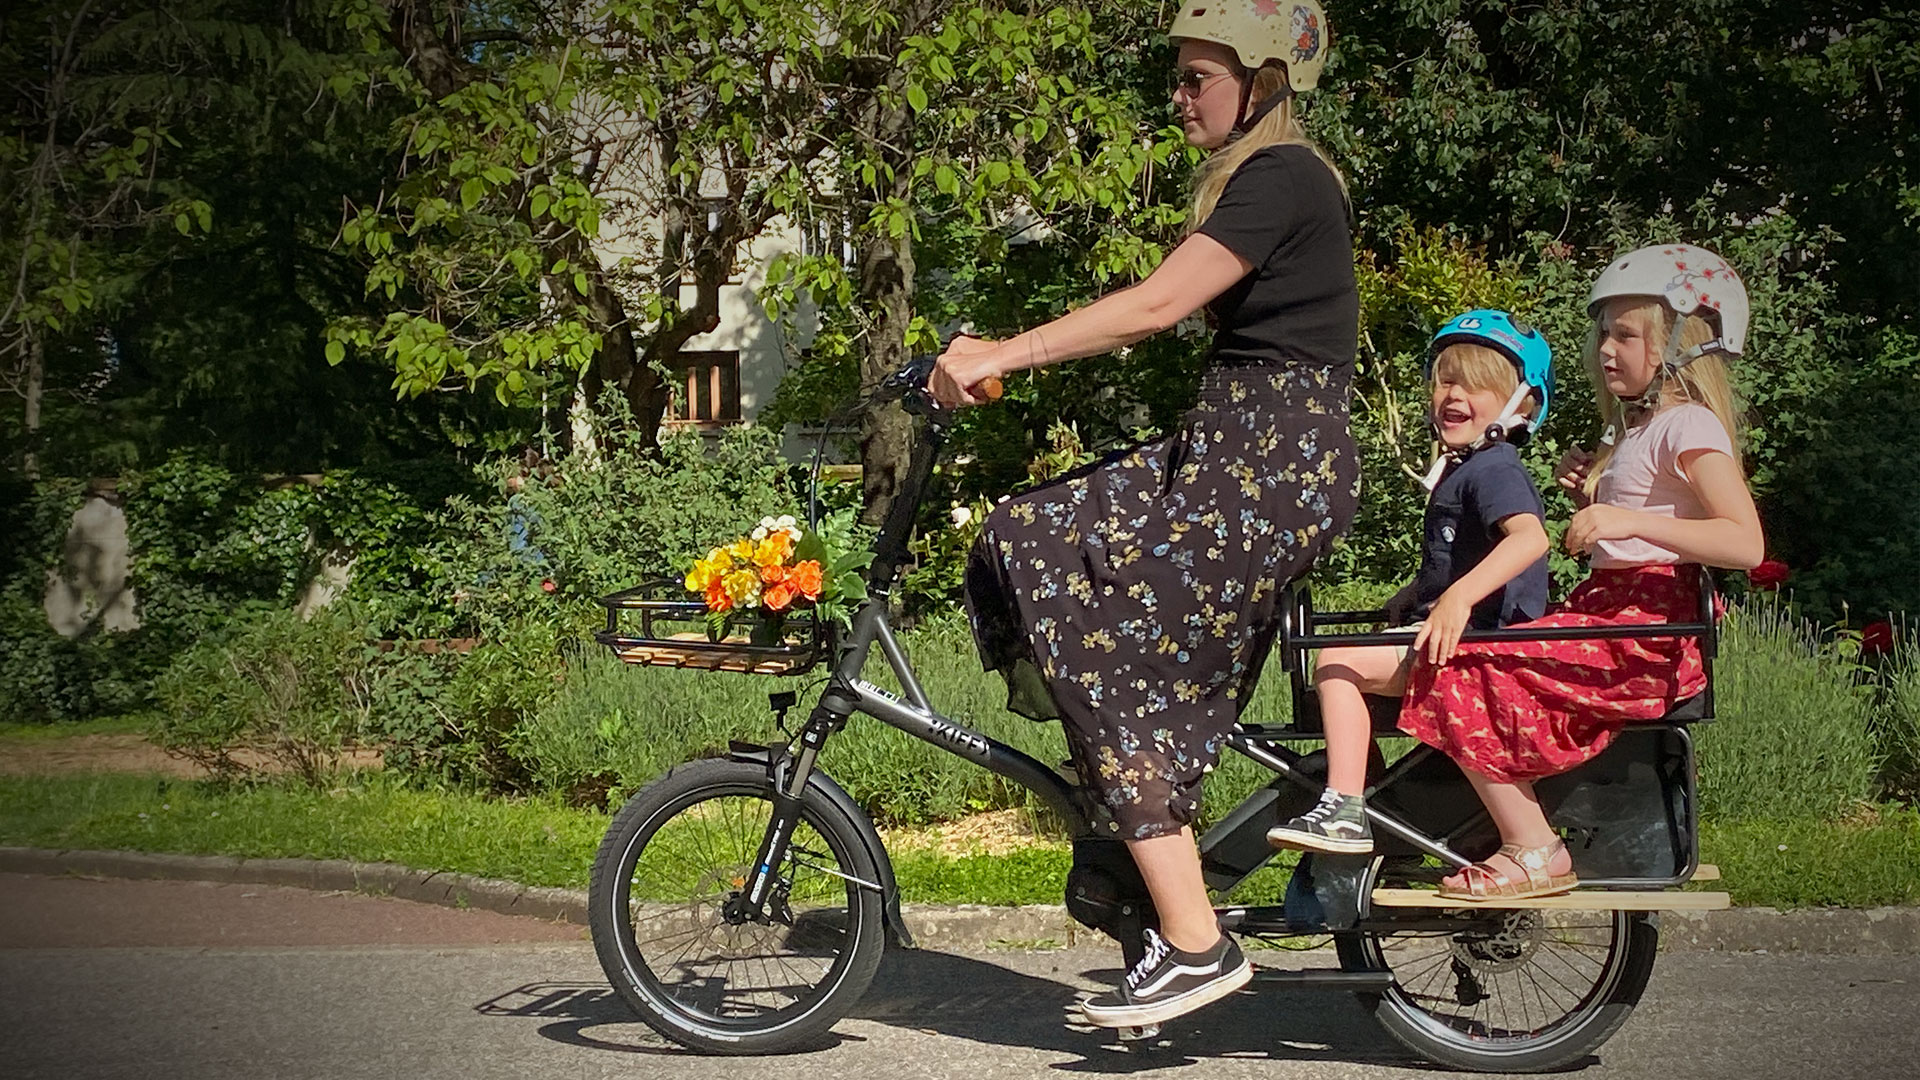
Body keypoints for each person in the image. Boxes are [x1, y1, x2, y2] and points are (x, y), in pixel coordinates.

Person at [930, 0, 1357, 1029]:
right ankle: (1127, 819)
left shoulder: (1284, 174)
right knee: (1024, 532)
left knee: (1105, 653)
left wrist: (1001, 353)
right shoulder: (1260, 182)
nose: (1179, 98)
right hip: (1233, 455)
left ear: (1260, 84)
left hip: (1265, 465)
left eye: (1196, 78)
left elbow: (1159, 305)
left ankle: (1197, 940)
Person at [1397, 244, 1765, 901]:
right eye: (1603, 332)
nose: (1604, 349)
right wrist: (1590, 504)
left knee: (1462, 666)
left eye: (1626, 334)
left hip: (1646, 628)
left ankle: (1533, 846)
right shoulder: (1636, 429)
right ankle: (1505, 828)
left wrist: (1626, 521)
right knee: (1467, 659)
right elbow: (1629, 527)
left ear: (1681, 342)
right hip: (1613, 608)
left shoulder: (1690, 425)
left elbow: (1744, 543)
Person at [1267, 311, 1553, 854]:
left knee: (1337, 662)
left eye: (1475, 384)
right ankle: (1362, 790)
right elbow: (1459, 560)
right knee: (1344, 660)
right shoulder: (1467, 469)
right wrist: (1419, 595)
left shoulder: (1495, 470)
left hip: (1485, 646)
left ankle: (1347, 806)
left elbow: (1530, 540)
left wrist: (1454, 600)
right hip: (1466, 637)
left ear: (1520, 404)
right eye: (1445, 380)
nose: (1453, 394)